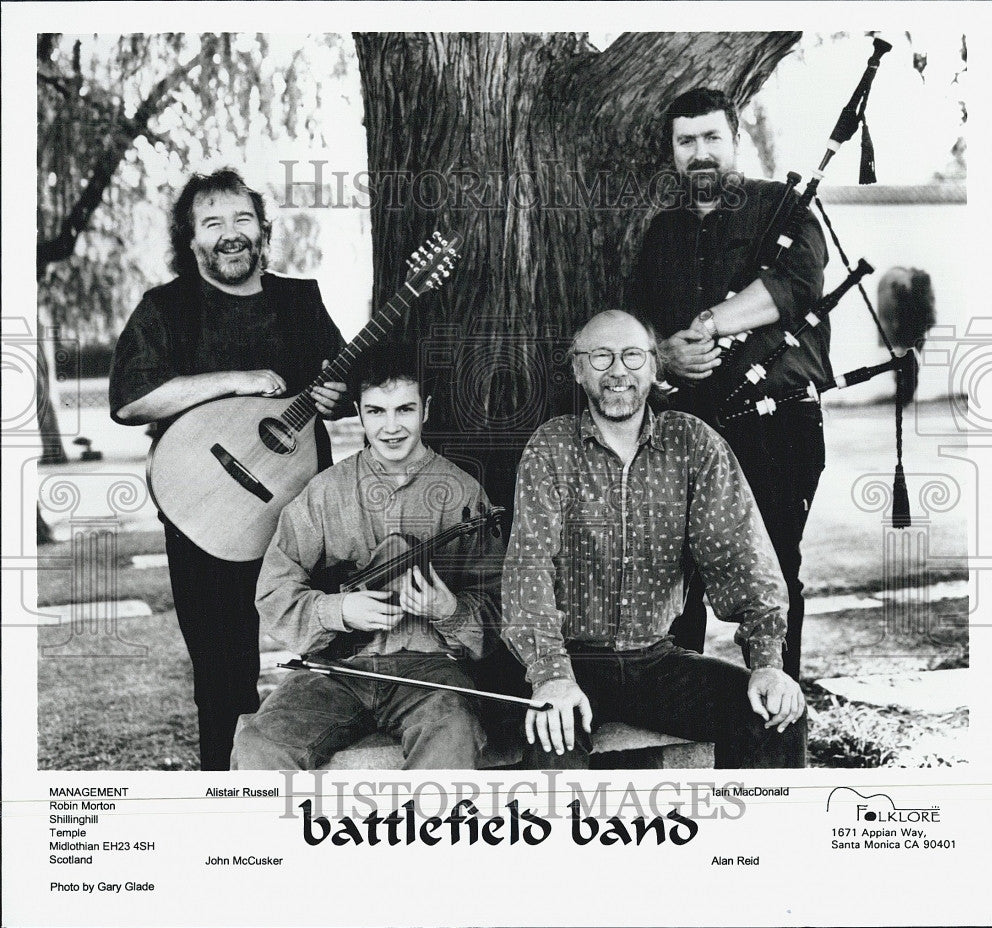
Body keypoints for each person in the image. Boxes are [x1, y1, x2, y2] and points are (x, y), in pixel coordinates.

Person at [108, 168, 350, 770]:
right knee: (222, 677)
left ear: (263, 230)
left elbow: (345, 387)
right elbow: (131, 398)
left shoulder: (300, 300)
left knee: (337, 649)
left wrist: (337, 395)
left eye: (242, 219)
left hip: (299, 507)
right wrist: (233, 381)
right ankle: (223, 803)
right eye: (212, 223)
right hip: (204, 515)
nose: (230, 234)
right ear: (191, 243)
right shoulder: (167, 308)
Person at [501, 310, 806, 769]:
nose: (618, 370)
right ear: (578, 370)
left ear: (653, 367)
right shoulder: (551, 447)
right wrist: (550, 674)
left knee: (775, 718)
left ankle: (750, 841)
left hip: (656, 660)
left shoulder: (692, 444)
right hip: (572, 660)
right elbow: (529, 571)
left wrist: (767, 663)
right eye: (601, 357)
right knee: (553, 742)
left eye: (632, 356)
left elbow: (743, 558)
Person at [625, 87, 830, 681]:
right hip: (685, 431)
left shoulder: (781, 208)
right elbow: (639, 324)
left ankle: (777, 722)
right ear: (673, 151)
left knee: (771, 571)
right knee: (673, 577)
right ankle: (682, 722)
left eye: (712, 137)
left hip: (775, 423)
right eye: (686, 141)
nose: (701, 152)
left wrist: (711, 323)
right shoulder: (662, 233)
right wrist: (664, 356)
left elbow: (797, 285)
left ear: (735, 141)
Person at [231, 356, 503, 770]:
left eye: (405, 410)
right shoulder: (323, 492)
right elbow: (274, 589)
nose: (390, 427)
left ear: (426, 409)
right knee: (261, 744)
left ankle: (419, 834)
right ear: (358, 412)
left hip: (430, 672)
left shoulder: (464, 492)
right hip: (334, 670)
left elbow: (500, 602)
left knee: (453, 731)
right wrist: (338, 609)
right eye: (376, 411)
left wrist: (450, 612)